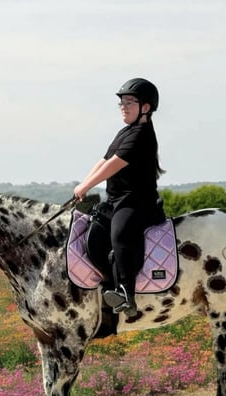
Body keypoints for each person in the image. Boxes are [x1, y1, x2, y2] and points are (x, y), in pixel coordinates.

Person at [73, 78, 166, 316]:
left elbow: (115, 164)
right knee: (95, 235)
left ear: (145, 107)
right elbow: (104, 160)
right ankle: (106, 287)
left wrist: (87, 187)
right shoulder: (126, 132)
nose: (124, 106)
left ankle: (126, 293)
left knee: (120, 232)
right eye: (121, 102)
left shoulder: (141, 134)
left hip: (137, 201)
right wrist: (83, 184)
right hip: (116, 200)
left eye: (129, 102)